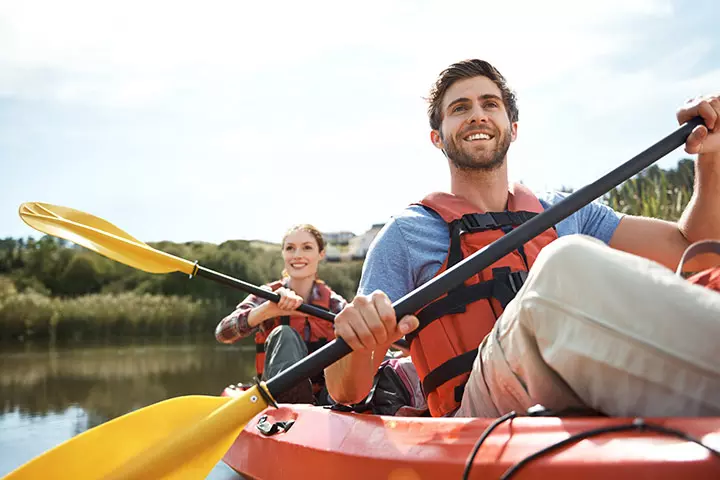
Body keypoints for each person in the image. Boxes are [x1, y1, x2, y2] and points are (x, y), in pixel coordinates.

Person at [324, 59, 720, 419]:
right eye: (459, 108)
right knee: (566, 262)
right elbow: (345, 391)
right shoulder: (405, 235)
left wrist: (712, 155)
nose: (476, 115)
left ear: (512, 129)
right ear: (437, 138)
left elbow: (695, 251)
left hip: (584, 376)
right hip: (479, 411)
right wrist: (360, 338)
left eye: (489, 104)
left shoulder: (569, 211)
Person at [216, 224, 346, 405]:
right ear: (283, 254)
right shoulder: (267, 294)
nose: (297, 255)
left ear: (321, 254)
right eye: (290, 248)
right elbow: (223, 333)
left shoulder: (334, 302)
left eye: (307, 247)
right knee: (284, 333)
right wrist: (267, 310)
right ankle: (292, 401)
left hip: (329, 397)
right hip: (279, 396)